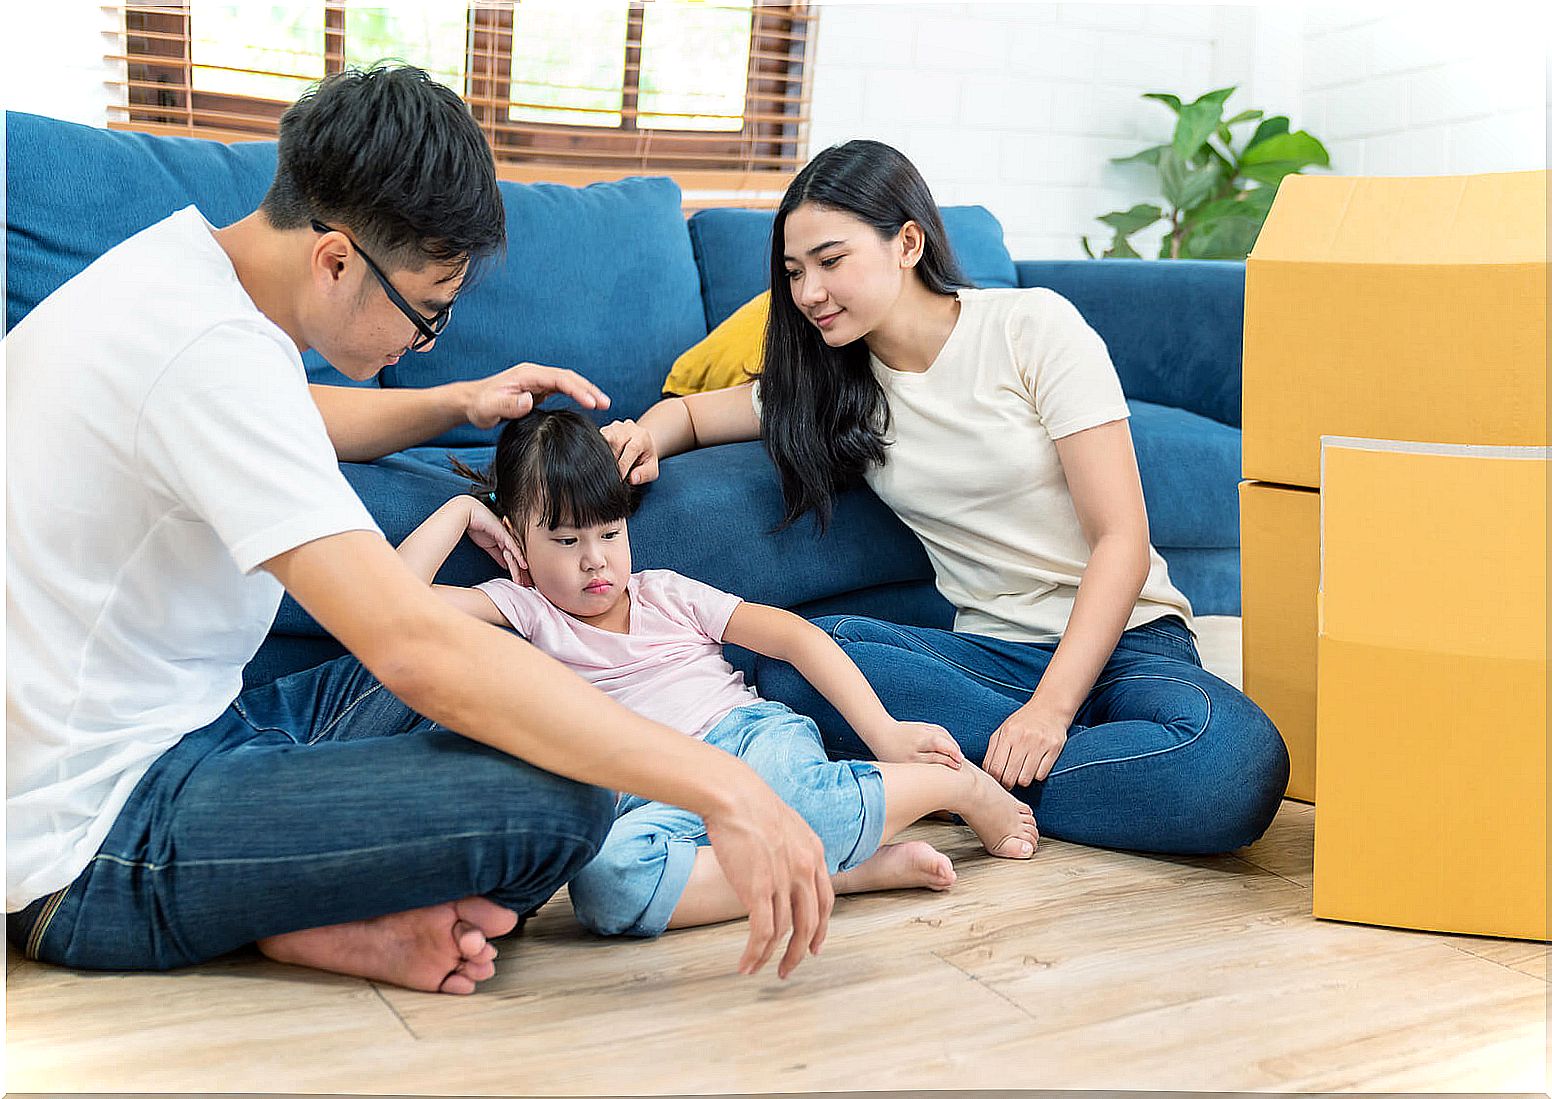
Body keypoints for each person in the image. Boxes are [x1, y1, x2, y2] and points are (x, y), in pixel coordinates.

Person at [5, 65, 837, 996]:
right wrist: (730, 789)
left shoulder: (182, 277)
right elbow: (409, 646)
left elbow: (288, 413)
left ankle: (315, 918)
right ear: (335, 260)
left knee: (517, 675)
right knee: (561, 800)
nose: (424, 339)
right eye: (429, 310)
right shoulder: (210, 357)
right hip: (90, 835)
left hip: (204, 723)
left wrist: (461, 402)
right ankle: (285, 912)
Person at [602, 139, 1290, 856]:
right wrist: (641, 437)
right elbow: (689, 414)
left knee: (1233, 764)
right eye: (794, 271)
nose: (807, 292)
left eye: (830, 261)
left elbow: (1121, 537)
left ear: (906, 242)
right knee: (797, 666)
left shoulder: (1032, 327)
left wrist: (1050, 714)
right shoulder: (836, 389)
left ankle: (956, 777)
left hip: (1129, 644)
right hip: (992, 657)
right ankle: (1019, 779)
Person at [400, 408, 1041, 939]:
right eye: (565, 542)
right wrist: (461, 511)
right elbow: (391, 605)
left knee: (806, 803)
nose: (595, 562)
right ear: (517, 538)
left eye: (609, 533)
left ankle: (955, 788)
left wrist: (883, 732)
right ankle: (842, 873)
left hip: (746, 743)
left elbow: (796, 637)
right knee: (604, 888)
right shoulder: (526, 611)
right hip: (649, 788)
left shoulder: (663, 593)